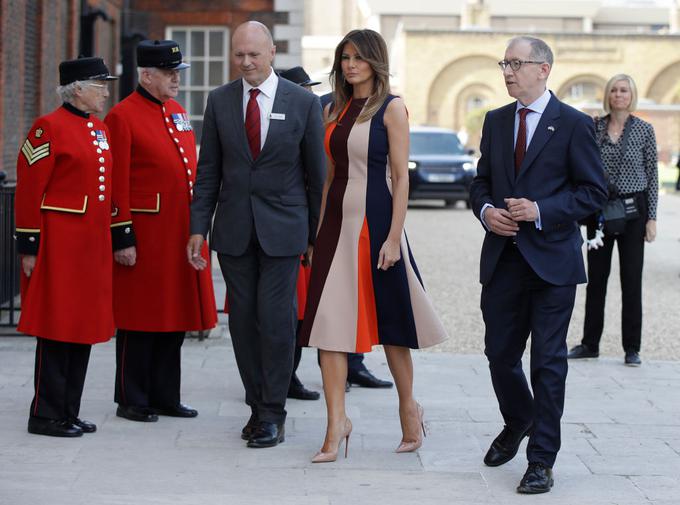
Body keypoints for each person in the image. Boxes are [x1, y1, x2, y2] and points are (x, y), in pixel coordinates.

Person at [298, 29, 448, 463]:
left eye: (358, 57)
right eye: (344, 57)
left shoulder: (392, 107)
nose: (350, 65)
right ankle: (335, 426)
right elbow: (328, 177)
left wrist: (394, 236)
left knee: (392, 324)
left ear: (375, 61)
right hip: (336, 228)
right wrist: (318, 234)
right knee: (330, 325)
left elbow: (401, 178)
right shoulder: (332, 108)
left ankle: (408, 409)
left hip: (378, 223)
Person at [469, 36, 607, 493]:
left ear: (543, 69)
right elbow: (481, 184)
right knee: (499, 356)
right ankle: (519, 418)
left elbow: (593, 194)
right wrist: (488, 213)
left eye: (516, 63)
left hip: (553, 265)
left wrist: (541, 210)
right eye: (503, 63)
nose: (507, 71)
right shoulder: (495, 121)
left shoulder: (573, 124)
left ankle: (541, 460)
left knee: (548, 363)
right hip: (504, 261)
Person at [187, 22, 326, 449]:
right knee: (244, 323)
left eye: (254, 54)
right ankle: (256, 406)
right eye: (239, 55)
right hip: (233, 232)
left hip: (284, 232)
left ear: (271, 53)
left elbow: (316, 176)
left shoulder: (302, 102)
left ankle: (273, 412)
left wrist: (314, 235)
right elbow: (207, 171)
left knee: (278, 321)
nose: (246, 62)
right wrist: (197, 227)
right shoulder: (220, 101)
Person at [105, 40, 217, 423]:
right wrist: (122, 236)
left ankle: (166, 395)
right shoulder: (122, 116)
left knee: (173, 317)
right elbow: (115, 182)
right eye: (169, 74)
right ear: (147, 75)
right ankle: (132, 398)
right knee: (140, 319)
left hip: (177, 233)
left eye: (177, 73)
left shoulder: (177, 111)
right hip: (145, 233)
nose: (176, 80)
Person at [14, 57, 118, 437]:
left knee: (82, 328)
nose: (106, 91)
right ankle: (44, 414)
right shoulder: (47, 128)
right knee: (57, 329)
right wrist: (29, 245)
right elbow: (29, 189)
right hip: (59, 245)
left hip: (91, 247)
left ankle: (68, 411)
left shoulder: (100, 129)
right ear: (77, 88)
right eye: (99, 84)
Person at [279, 66, 393, 398]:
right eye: (303, 89)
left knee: (349, 296)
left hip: (337, 213)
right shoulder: (297, 119)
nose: (309, 95)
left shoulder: (329, 111)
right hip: (301, 220)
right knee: (308, 310)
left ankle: (352, 366)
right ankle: (286, 376)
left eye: (310, 88)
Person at [568, 74, 658, 366]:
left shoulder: (644, 130)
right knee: (596, 280)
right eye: (615, 90)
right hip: (601, 212)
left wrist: (652, 218)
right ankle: (589, 343)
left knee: (631, 281)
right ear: (608, 95)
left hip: (634, 212)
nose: (619, 95)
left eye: (625, 90)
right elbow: (581, 165)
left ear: (632, 95)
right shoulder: (594, 127)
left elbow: (653, 177)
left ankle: (632, 347)